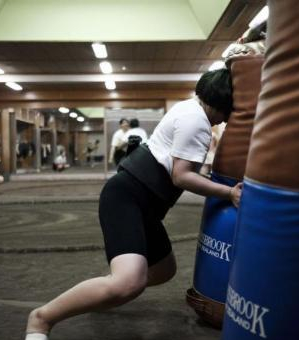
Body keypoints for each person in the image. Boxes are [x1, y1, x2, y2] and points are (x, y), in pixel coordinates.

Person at [24, 68, 242, 340]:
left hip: (145, 202)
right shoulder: (196, 122)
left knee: (163, 270)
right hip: (127, 197)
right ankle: (41, 320)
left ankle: (104, 289)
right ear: (225, 103)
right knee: (129, 283)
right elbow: (181, 176)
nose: (226, 121)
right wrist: (229, 193)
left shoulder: (188, 107)